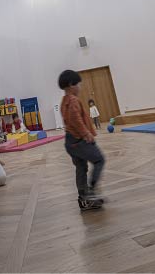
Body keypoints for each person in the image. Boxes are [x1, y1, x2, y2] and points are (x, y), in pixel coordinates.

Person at [59, 69, 105, 211]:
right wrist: (86, 133)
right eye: (78, 84)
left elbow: (70, 119)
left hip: (70, 141)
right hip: (78, 140)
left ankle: (84, 198)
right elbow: (75, 119)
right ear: (71, 85)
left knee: (81, 167)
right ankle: (91, 192)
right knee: (99, 160)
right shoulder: (73, 100)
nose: (80, 87)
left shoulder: (64, 100)